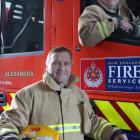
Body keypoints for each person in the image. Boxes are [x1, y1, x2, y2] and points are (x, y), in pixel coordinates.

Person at [0, 47, 128, 140]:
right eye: (55, 63)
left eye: (66, 63)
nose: (61, 67)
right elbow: (9, 124)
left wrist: (113, 133)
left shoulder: (80, 95)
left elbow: (92, 123)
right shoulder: (27, 95)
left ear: (71, 66)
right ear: (47, 66)